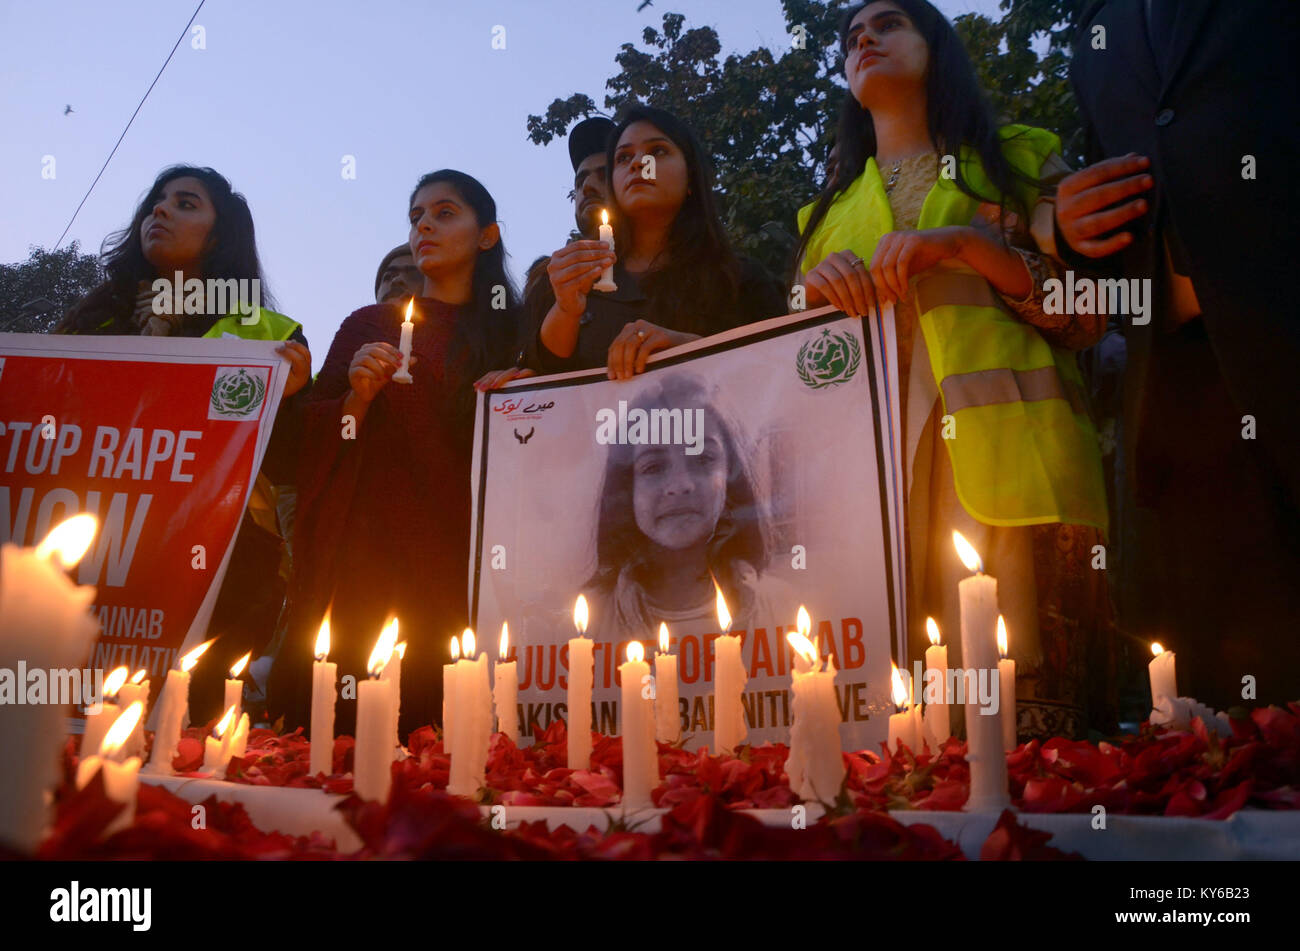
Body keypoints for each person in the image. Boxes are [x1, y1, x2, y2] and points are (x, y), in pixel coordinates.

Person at [794, 0, 1116, 740]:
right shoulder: (825, 215)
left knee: (1042, 762)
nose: (864, 38)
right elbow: (794, 370)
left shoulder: (1021, 156)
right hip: (875, 499)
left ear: (937, 46)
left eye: (888, 23)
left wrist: (968, 248)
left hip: (1023, 473)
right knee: (903, 751)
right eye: (850, 37)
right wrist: (807, 295)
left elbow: (1090, 313)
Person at [1055, 1, 1300, 711]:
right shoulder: (1098, 31)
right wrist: (1070, 227)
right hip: (1172, 396)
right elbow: (1120, 187)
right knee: (1221, 717)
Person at [267, 169, 519, 740]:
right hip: (361, 566)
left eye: (445, 212)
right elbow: (300, 445)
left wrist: (523, 393)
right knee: (340, 740)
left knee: (446, 749)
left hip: (463, 571)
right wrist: (355, 399)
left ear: (487, 236)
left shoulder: (511, 331)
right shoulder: (369, 324)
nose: (424, 225)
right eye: (415, 216)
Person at [57, 165, 311, 725]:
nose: (160, 210)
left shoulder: (267, 334)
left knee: (185, 736)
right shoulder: (90, 325)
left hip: (222, 577)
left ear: (219, 237)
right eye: (156, 201)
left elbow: (291, 467)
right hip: (93, 557)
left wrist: (289, 402)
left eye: (186, 203)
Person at [520, 105, 787, 381]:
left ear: (691, 178)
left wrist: (690, 349)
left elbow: (780, 374)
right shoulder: (574, 277)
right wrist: (566, 310)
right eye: (623, 158)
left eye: (657, 152)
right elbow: (542, 377)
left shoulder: (741, 280)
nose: (638, 163)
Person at [582, 373, 795, 643]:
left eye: (703, 458)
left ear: (731, 475)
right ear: (626, 488)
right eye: (654, 467)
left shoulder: (781, 607)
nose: (680, 485)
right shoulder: (582, 623)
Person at [475, 116, 615, 392]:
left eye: (604, 175)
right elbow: (535, 364)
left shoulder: (672, 264)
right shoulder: (547, 277)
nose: (586, 187)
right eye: (580, 180)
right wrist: (520, 379)